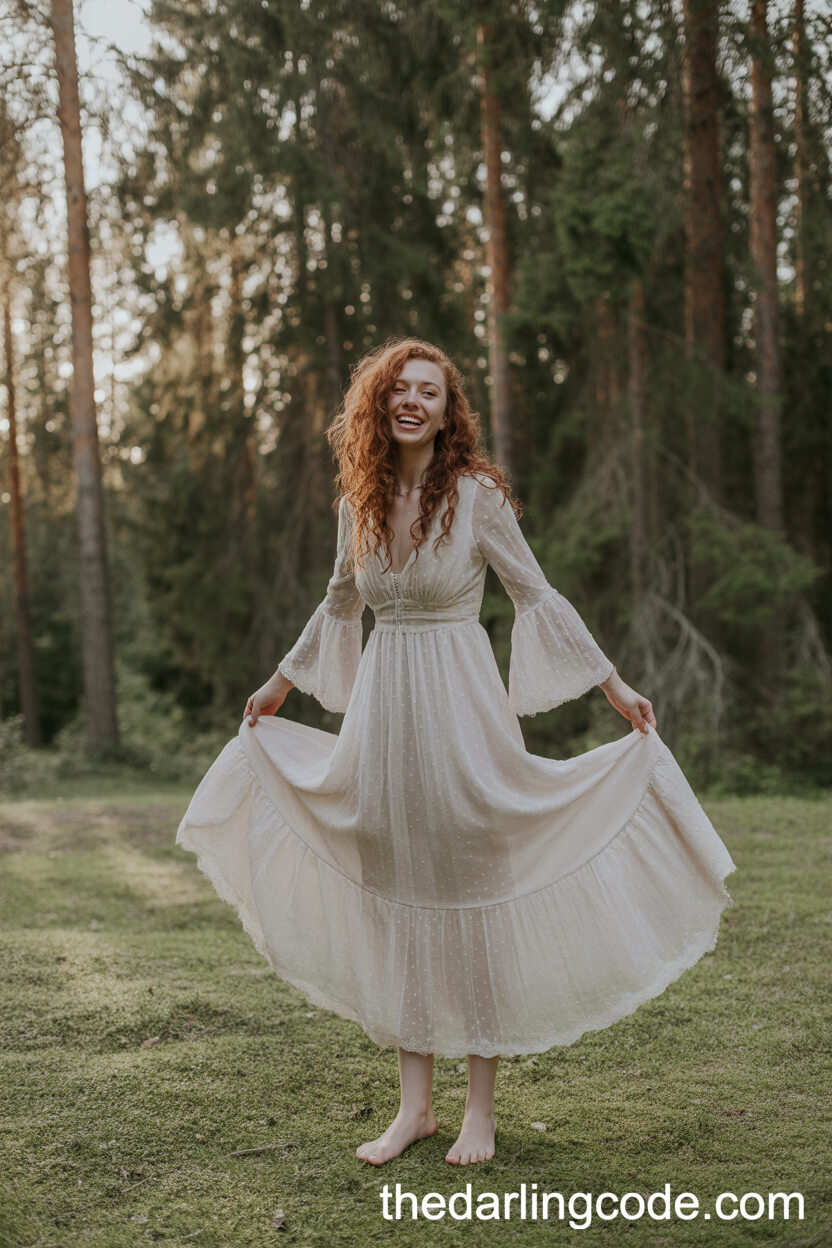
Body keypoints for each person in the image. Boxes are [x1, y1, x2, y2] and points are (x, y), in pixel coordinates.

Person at [176, 336, 736, 1168]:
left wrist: (613, 685)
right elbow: (338, 604)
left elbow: (533, 592)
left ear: (448, 411)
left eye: (428, 392)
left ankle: (479, 1108)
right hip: (383, 719)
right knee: (391, 892)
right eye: (398, 388)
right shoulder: (356, 504)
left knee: (474, 886)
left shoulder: (476, 497)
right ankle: (414, 1109)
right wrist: (279, 687)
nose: (412, 401)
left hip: (461, 711)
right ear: (379, 403)